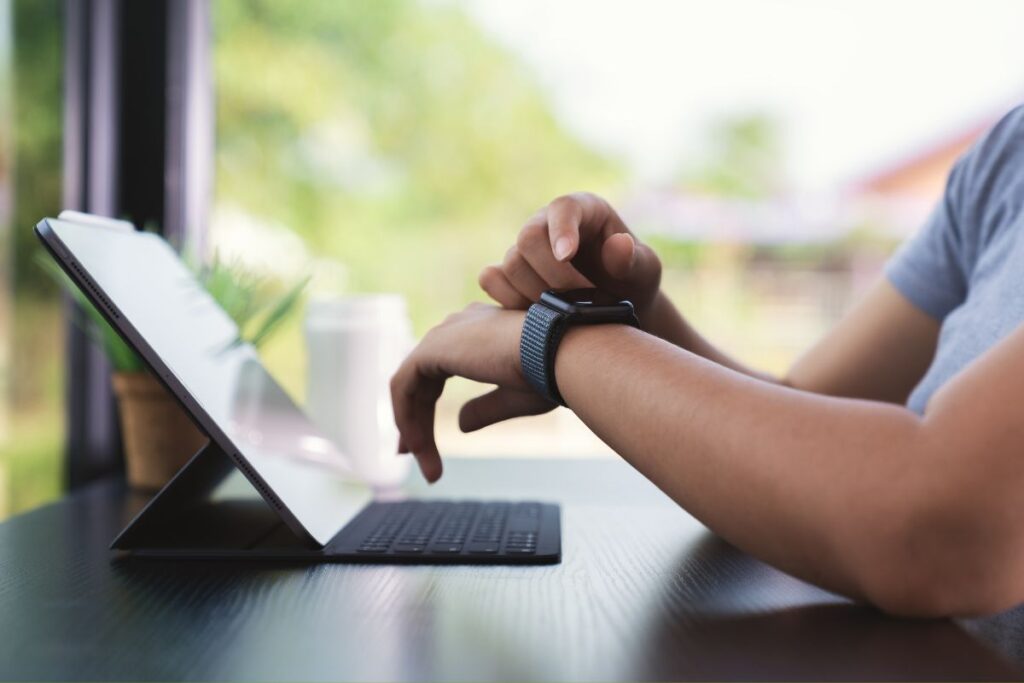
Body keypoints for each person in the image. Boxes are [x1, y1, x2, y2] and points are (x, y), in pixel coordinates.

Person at [390, 105, 1024, 618]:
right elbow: (806, 428)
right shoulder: (1006, 161)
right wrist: (636, 319)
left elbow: (941, 531)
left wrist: (558, 341)